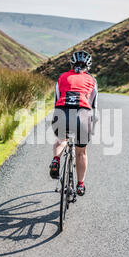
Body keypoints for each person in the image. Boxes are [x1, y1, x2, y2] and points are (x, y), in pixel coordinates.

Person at [49, 50, 98, 196]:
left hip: (62, 112)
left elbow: (56, 100)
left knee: (61, 139)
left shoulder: (62, 77)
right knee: (81, 151)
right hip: (82, 115)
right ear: (87, 66)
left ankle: (56, 160)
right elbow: (94, 105)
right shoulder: (92, 80)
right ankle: (80, 185)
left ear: (72, 64)